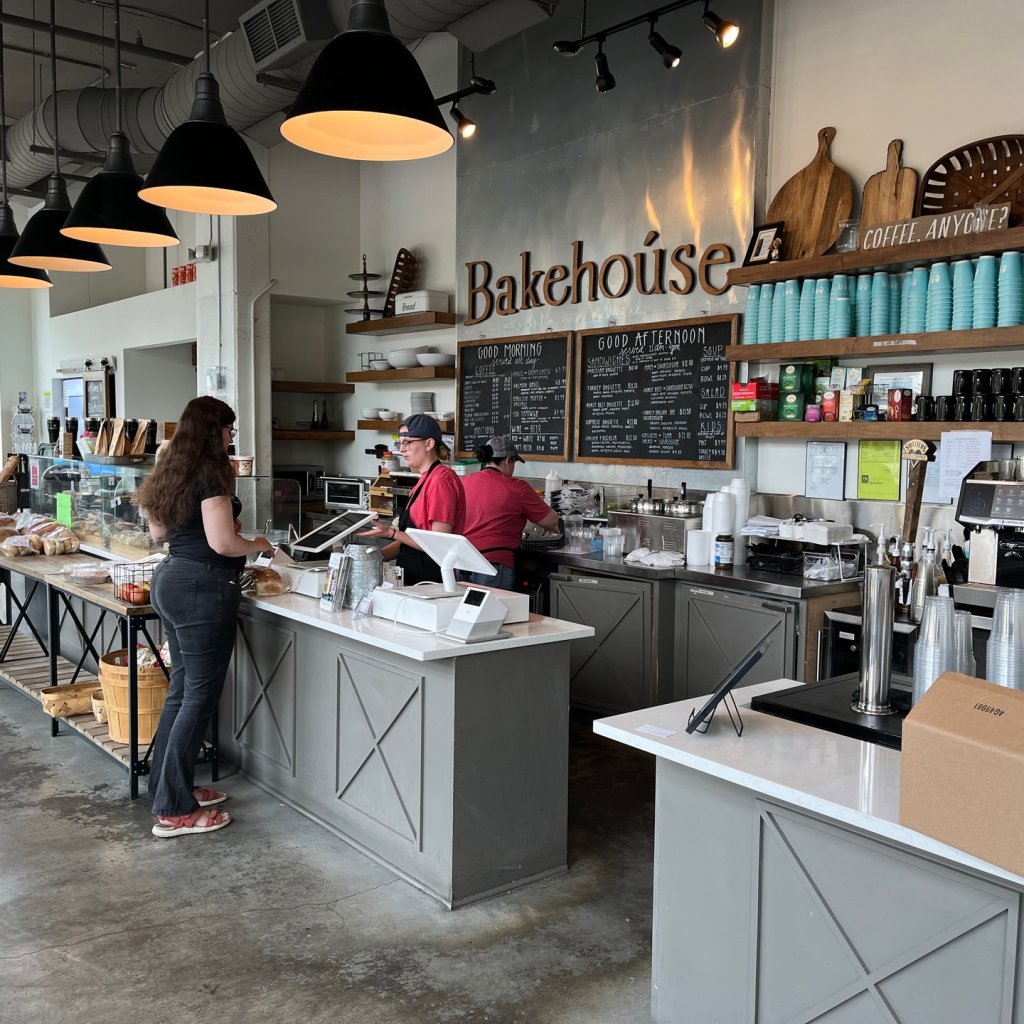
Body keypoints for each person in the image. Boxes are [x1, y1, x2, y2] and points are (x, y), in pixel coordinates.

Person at [136, 397, 273, 838]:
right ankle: (175, 809)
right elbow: (222, 543)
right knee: (198, 696)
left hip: (171, 579)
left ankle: (167, 785)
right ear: (213, 430)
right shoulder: (213, 471)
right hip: (202, 587)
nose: (233, 437)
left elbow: (157, 533)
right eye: (229, 430)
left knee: (182, 691)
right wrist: (260, 543)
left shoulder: (173, 467)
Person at [360, 413, 465, 585]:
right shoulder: (423, 480)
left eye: (407, 443)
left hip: (432, 581)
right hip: (414, 579)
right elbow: (407, 543)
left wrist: (391, 533)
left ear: (429, 444)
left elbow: (439, 543)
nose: (401, 450)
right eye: (399, 443)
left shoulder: (441, 481)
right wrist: (373, 558)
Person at [460, 436, 559, 590]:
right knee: (494, 612)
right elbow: (551, 521)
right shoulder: (516, 487)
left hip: (461, 563)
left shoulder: (463, 481)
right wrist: (551, 525)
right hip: (493, 566)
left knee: (464, 612)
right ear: (508, 461)